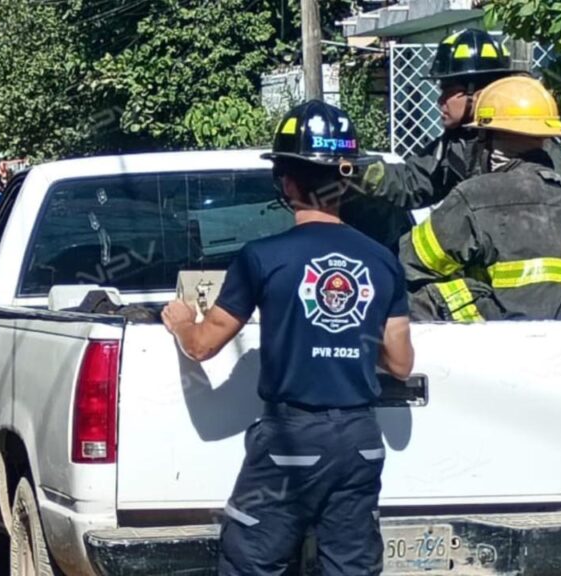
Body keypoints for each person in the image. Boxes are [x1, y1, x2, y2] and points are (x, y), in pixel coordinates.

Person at [161, 100, 414, 575]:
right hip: (360, 441)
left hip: (289, 442)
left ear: (288, 182)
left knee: (252, 564)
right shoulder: (381, 261)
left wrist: (179, 320)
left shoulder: (262, 258)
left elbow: (202, 345)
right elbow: (400, 363)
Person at [400, 76, 561, 321]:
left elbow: (408, 263)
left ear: (487, 141)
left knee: (406, 295)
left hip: (503, 346)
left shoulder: (478, 196)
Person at [343, 28, 561, 250]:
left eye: (448, 90)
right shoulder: (457, 143)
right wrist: (357, 169)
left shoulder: (525, 141)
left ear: (477, 94)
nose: (440, 101)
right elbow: (414, 181)